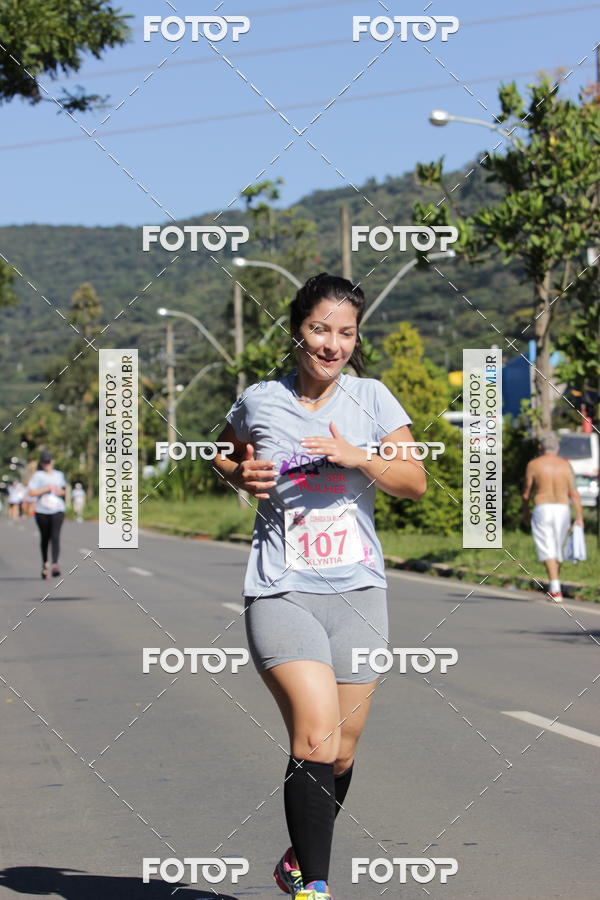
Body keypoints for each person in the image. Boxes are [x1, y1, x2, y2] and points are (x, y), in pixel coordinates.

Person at [214, 273, 426, 900]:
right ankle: (316, 889)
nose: (332, 345)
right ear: (295, 328)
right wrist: (238, 473)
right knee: (315, 732)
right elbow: (223, 451)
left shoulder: (372, 399)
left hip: (358, 593)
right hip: (282, 590)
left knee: (341, 751)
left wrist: (362, 458)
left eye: (345, 332)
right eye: (319, 330)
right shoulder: (259, 400)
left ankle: (297, 860)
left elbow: (413, 481)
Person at [521, 432, 584, 602]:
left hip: (543, 507)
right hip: (562, 508)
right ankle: (555, 585)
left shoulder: (534, 464)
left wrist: (525, 513)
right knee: (557, 548)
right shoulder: (566, 465)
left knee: (547, 548)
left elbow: (526, 493)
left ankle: (555, 589)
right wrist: (579, 517)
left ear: (541, 447)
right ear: (557, 448)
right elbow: (574, 494)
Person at [27, 451, 67, 579]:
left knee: (55, 536)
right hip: (42, 510)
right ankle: (45, 564)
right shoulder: (38, 476)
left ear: (52, 461)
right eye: (45, 462)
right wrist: (45, 489)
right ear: (41, 463)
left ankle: (55, 564)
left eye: (49, 461)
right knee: (45, 537)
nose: (47, 464)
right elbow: (31, 493)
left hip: (57, 509)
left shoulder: (59, 475)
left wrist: (58, 490)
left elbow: (63, 491)